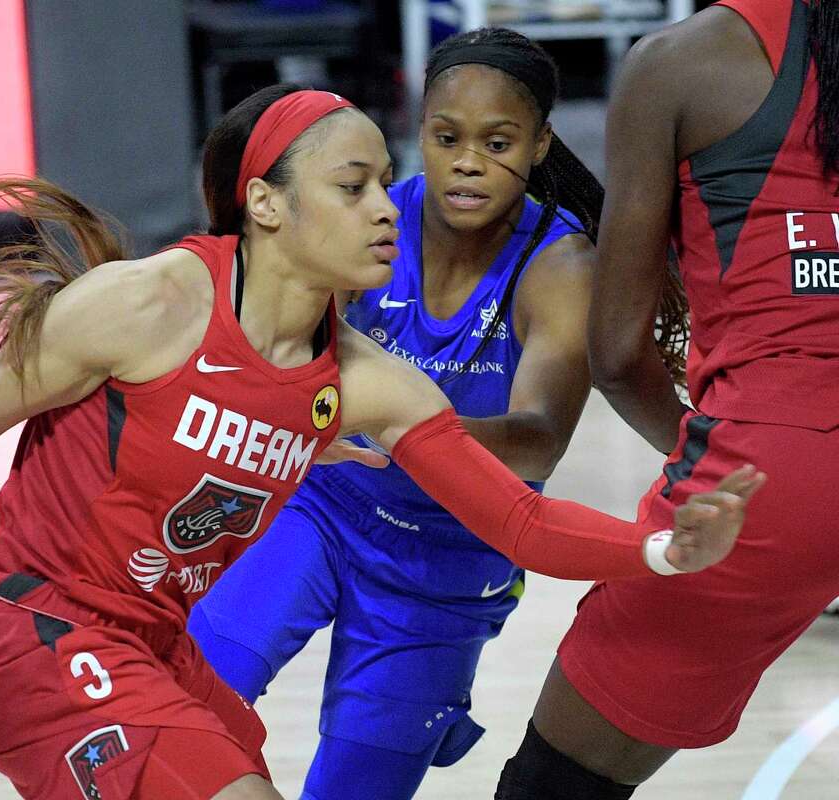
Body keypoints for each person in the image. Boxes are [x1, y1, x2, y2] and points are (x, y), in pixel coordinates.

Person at [0, 86, 759, 800]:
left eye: (384, 182)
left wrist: (662, 547)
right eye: (353, 186)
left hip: (151, 649)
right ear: (264, 203)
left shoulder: (367, 383)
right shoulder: (152, 303)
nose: (388, 208)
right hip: (34, 630)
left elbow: (516, 516)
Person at [188, 29, 688, 800]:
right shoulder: (373, 218)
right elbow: (274, 334)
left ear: (540, 142)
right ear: (417, 131)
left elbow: (538, 442)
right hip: (322, 510)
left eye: (497, 142)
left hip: (448, 564)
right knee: (187, 702)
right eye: (445, 137)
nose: (466, 161)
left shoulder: (560, 267)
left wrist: (400, 429)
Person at [494, 1, 839, 797]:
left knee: (555, 784)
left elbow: (617, 355)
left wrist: (718, 456)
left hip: (773, 472)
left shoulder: (682, 62)